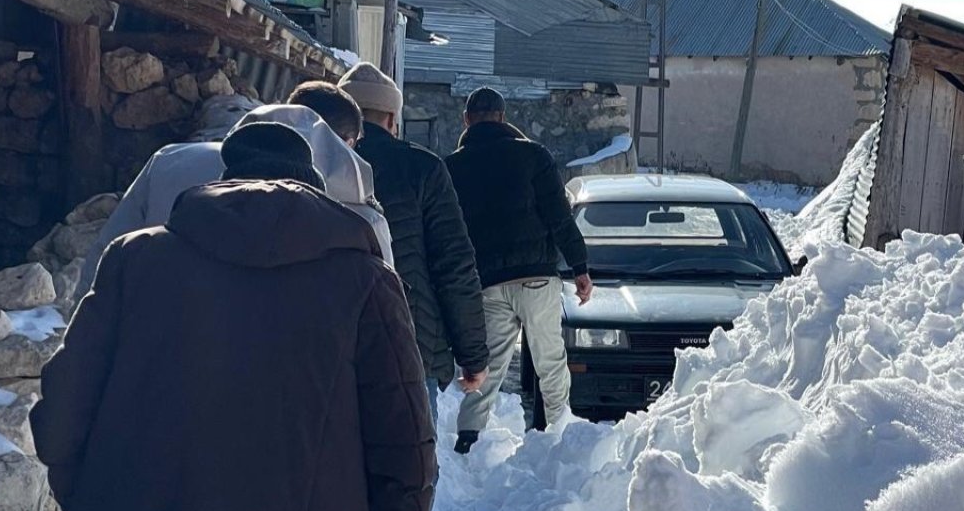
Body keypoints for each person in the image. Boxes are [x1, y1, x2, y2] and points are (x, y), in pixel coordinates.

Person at [30, 122, 436, 511]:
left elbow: (59, 418)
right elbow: (404, 442)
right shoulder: (365, 282)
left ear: (223, 180)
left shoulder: (134, 261)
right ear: (316, 190)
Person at [74, 83, 390, 305]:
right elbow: (386, 329)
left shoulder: (172, 164)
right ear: (346, 141)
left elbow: (102, 270)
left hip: (162, 366)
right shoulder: (360, 214)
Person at [444, 87, 592, 453]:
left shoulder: (452, 168)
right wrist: (580, 266)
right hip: (537, 277)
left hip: (487, 283)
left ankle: (468, 439)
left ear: (466, 120)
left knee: (488, 365)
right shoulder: (533, 156)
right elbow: (559, 216)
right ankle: (560, 438)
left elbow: (447, 232)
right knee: (550, 362)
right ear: (503, 117)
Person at [339, 63, 489, 422]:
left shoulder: (311, 165)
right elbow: (454, 266)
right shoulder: (422, 168)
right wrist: (473, 355)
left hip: (330, 347)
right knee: (412, 466)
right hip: (409, 345)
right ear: (392, 118)